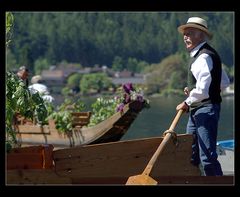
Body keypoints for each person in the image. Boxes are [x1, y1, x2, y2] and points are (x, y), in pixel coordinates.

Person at [176, 17, 230, 176]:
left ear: (201, 35)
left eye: (190, 33)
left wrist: (187, 101)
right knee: (191, 153)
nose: (185, 37)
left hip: (205, 111)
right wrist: (193, 90)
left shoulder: (204, 56)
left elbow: (204, 90)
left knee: (207, 156)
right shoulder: (204, 54)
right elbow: (223, 82)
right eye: (184, 34)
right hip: (200, 110)